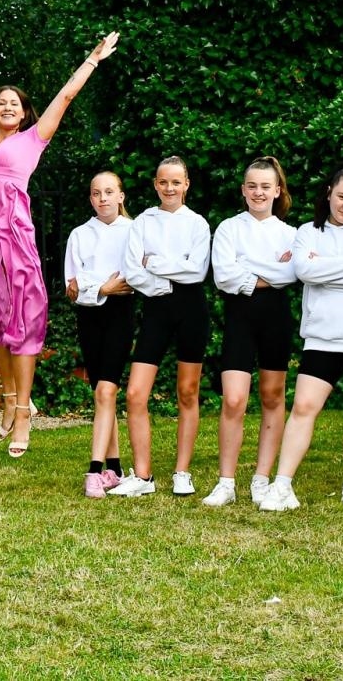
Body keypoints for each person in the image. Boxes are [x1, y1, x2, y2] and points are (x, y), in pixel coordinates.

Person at [0, 26, 119, 458]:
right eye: (0, 101)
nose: (6, 106)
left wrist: (93, 60)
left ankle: (23, 410)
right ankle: (10, 398)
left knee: (19, 322)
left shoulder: (33, 138)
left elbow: (64, 97)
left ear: (24, 113)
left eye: (14, 103)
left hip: (12, 237)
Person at [259, 165, 343, 511]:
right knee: (303, 407)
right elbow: (304, 271)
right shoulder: (307, 231)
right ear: (329, 192)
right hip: (322, 337)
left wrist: (327, 268)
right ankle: (282, 486)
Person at [110, 156, 211, 498]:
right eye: (163, 182)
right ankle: (143, 476)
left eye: (176, 182)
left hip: (192, 310)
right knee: (136, 393)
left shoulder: (198, 224)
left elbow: (197, 271)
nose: (169, 188)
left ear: (186, 185)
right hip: (155, 309)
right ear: (155, 184)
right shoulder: (142, 222)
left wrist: (154, 262)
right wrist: (165, 278)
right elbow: (133, 270)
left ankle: (182, 472)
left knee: (187, 392)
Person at [203, 157, 297, 507]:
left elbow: (293, 275)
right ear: (244, 190)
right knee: (234, 399)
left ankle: (261, 479)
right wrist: (273, 269)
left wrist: (249, 269)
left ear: (277, 191)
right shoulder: (229, 228)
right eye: (252, 186)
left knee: (273, 397)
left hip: (276, 318)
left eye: (265, 186)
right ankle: (225, 482)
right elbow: (223, 276)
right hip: (239, 319)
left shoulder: (292, 234)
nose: (259, 192)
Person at [64, 172, 135, 498]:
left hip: (119, 316)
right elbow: (72, 288)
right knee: (101, 394)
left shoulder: (135, 231)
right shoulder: (80, 234)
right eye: (96, 193)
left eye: (109, 192)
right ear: (91, 199)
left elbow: (133, 279)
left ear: (121, 196)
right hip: (89, 319)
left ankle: (94, 471)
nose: (102, 198)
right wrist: (102, 288)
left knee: (106, 393)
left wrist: (95, 286)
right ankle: (115, 468)